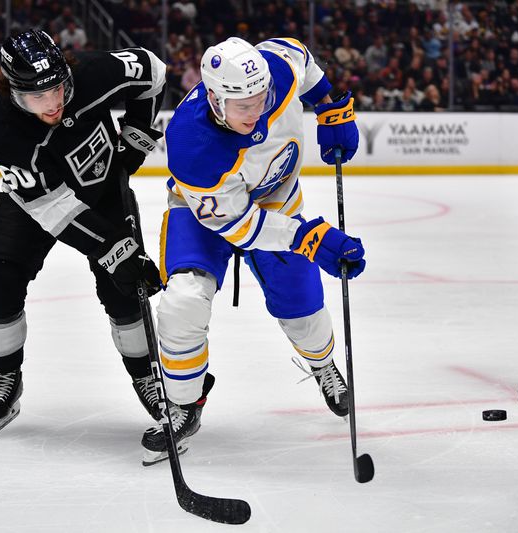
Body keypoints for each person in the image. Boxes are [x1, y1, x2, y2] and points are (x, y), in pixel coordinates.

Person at [139, 36, 365, 465]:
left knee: (304, 310)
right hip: (204, 211)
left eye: (261, 100)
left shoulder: (277, 68)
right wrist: (309, 239)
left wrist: (330, 108)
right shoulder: (192, 142)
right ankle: (185, 403)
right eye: (243, 106)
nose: (256, 112)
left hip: (278, 199)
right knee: (182, 302)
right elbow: (240, 226)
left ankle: (322, 364)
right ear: (214, 98)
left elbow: (304, 59)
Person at [0, 29, 166, 437]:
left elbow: (152, 70)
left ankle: (146, 377)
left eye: (58, 89)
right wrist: (113, 248)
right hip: (36, 202)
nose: (53, 104)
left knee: (124, 291)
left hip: (103, 193)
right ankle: (6, 376)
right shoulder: (7, 132)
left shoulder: (93, 74)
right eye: (37, 98)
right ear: (13, 90)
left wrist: (137, 134)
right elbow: (54, 209)